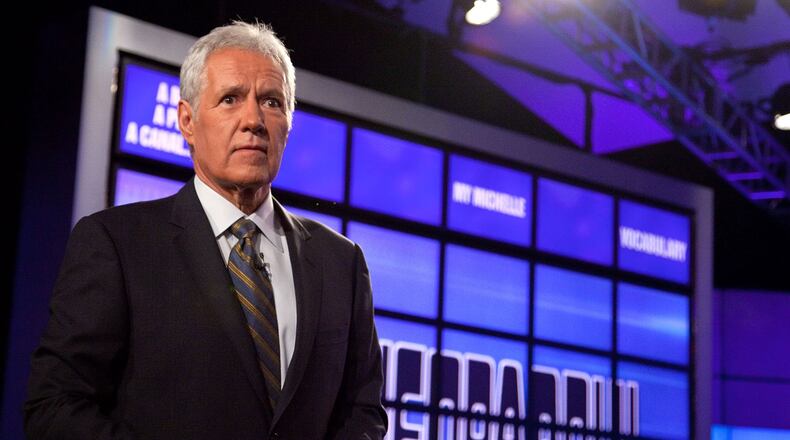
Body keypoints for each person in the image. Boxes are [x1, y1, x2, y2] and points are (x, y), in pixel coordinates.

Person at [25, 21, 387, 440]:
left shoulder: (340, 262)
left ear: (289, 122)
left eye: (271, 101)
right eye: (231, 99)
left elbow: (363, 413)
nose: (253, 119)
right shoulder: (117, 244)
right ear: (187, 121)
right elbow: (55, 407)